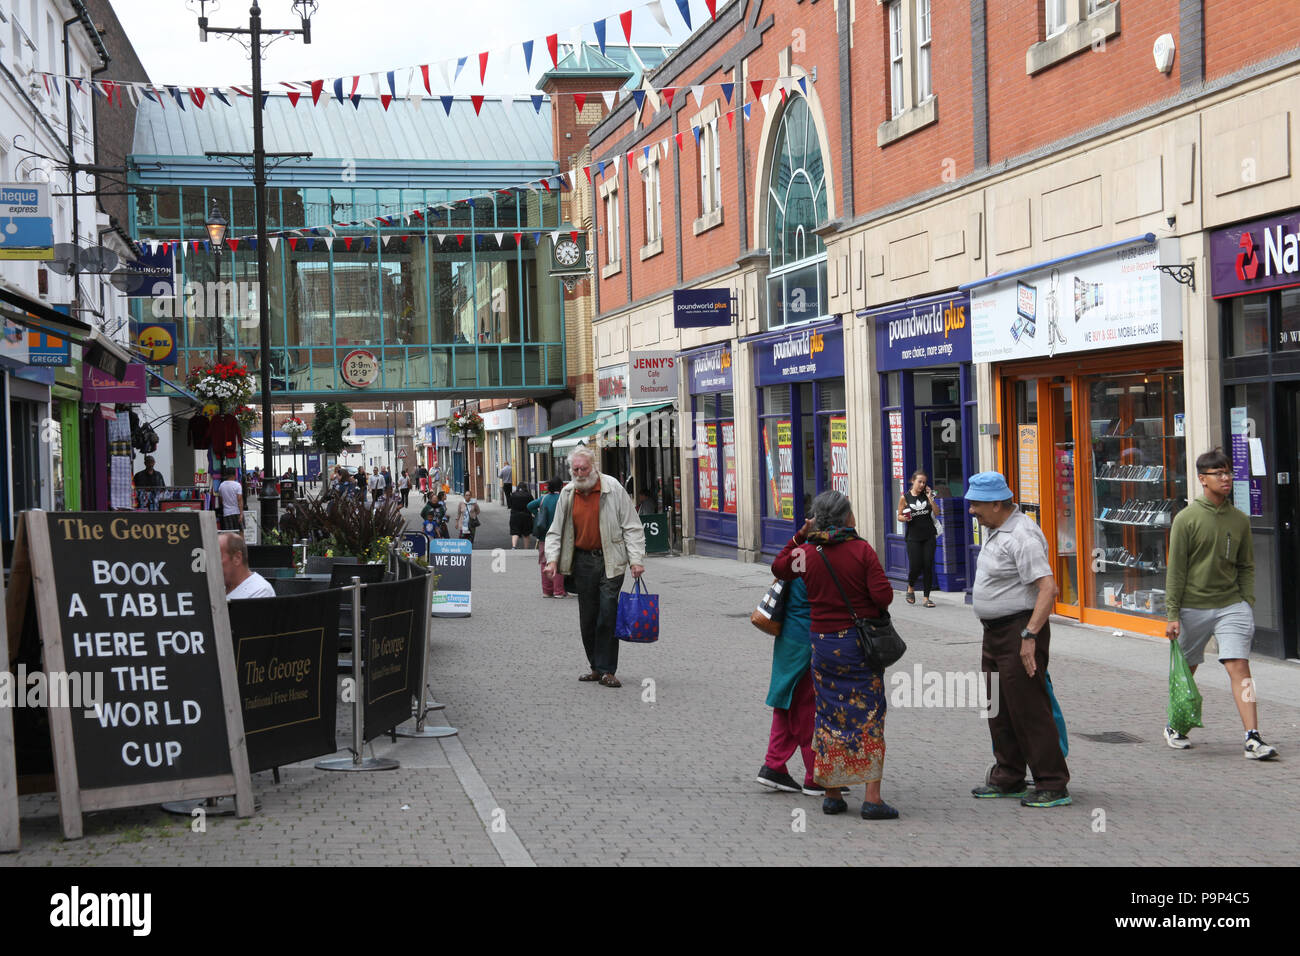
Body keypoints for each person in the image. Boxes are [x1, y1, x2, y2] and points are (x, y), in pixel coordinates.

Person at [772, 490, 897, 820]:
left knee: (828, 716)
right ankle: (872, 798)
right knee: (868, 716)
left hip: (822, 645)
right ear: (846, 517)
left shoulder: (808, 553)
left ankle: (831, 794)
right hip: (857, 646)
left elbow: (779, 567)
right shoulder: (861, 550)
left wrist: (801, 533)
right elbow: (883, 596)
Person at [1163, 449, 1277, 759]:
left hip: (1231, 606)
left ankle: (1253, 737)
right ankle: (1176, 725)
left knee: (1240, 667)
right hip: (1192, 608)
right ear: (1203, 479)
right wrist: (1172, 614)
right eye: (1219, 474)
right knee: (1187, 670)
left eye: (1228, 473)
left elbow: (1247, 565)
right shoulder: (1186, 519)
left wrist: (1246, 601)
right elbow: (1176, 571)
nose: (1226, 478)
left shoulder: (1239, 519)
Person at [966, 471, 1071, 808]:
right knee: (999, 707)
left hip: (1019, 631)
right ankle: (1008, 776)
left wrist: (1030, 635)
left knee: (1028, 708)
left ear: (997, 503)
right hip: (995, 632)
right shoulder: (998, 530)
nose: (972, 511)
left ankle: (1053, 783)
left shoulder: (1022, 534)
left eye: (977, 504)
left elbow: (1047, 588)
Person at [544, 447, 646, 688]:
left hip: (611, 559)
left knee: (608, 614)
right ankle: (595, 667)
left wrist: (637, 560)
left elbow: (632, 526)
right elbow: (555, 530)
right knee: (588, 617)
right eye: (575, 469)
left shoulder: (612, 489)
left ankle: (608, 670)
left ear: (594, 467)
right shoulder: (568, 493)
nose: (579, 473)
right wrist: (551, 560)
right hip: (582, 562)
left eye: (584, 468)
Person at [755, 577, 825, 796]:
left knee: (787, 703)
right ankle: (815, 775)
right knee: (806, 707)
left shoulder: (793, 556)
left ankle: (774, 766)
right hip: (807, 641)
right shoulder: (813, 557)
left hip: (790, 638)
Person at [898, 469, 939, 607]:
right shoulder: (905, 497)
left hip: (929, 535)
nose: (922, 485)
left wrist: (930, 498)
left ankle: (926, 598)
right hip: (913, 537)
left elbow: (937, 512)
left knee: (928, 565)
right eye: (919, 482)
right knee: (916, 565)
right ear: (912, 481)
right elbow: (899, 516)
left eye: (924, 482)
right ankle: (911, 586)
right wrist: (903, 518)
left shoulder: (927, 495)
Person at [528, 476, 566, 597]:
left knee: (544, 562)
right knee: (557, 562)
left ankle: (547, 591)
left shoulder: (544, 498)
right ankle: (558, 590)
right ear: (561, 487)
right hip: (559, 534)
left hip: (544, 535)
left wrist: (538, 514)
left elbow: (529, 505)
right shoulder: (562, 499)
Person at [219, 531, 274, 600]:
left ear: (237, 558)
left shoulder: (261, 592)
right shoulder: (218, 588)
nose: (212, 563)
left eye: (217, 557)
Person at [507, 482, 535, 549]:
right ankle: (526, 548)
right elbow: (532, 505)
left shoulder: (513, 495)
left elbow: (510, 505)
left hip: (515, 516)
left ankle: (514, 546)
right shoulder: (529, 495)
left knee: (515, 532)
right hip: (526, 516)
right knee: (526, 533)